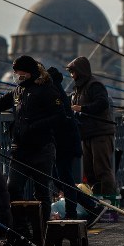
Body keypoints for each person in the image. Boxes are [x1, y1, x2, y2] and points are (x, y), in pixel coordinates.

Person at [0, 56, 63, 237]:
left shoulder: (46, 89)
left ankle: (42, 234)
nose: (16, 75)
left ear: (29, 72)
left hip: (42, 149)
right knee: (13, 188)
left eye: (19, 72)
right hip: (20, 150)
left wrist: (34, 126)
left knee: (42, 193)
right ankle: (20, 231)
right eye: (15, 72)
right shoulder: (18, 91)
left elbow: (59, 116)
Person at [67, 56, 117, 195]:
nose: (72, 75)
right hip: (87, 134)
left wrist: (82, 108)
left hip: (100, 133)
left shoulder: (94, 85)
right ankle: (96, 199)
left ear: (80, 71)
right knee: (89, 171)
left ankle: (108, 199)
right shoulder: (78, 88)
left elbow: (102, 103)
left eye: (73, 72)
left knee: (102, 169)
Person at [47, 66, 83, 221]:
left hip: (64, 144)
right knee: (60, 178)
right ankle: (88, 204)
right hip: (65, 143)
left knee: (64, 179)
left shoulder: (54, 93)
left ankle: (72, 212)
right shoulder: (58, 90)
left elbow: (59, 119)